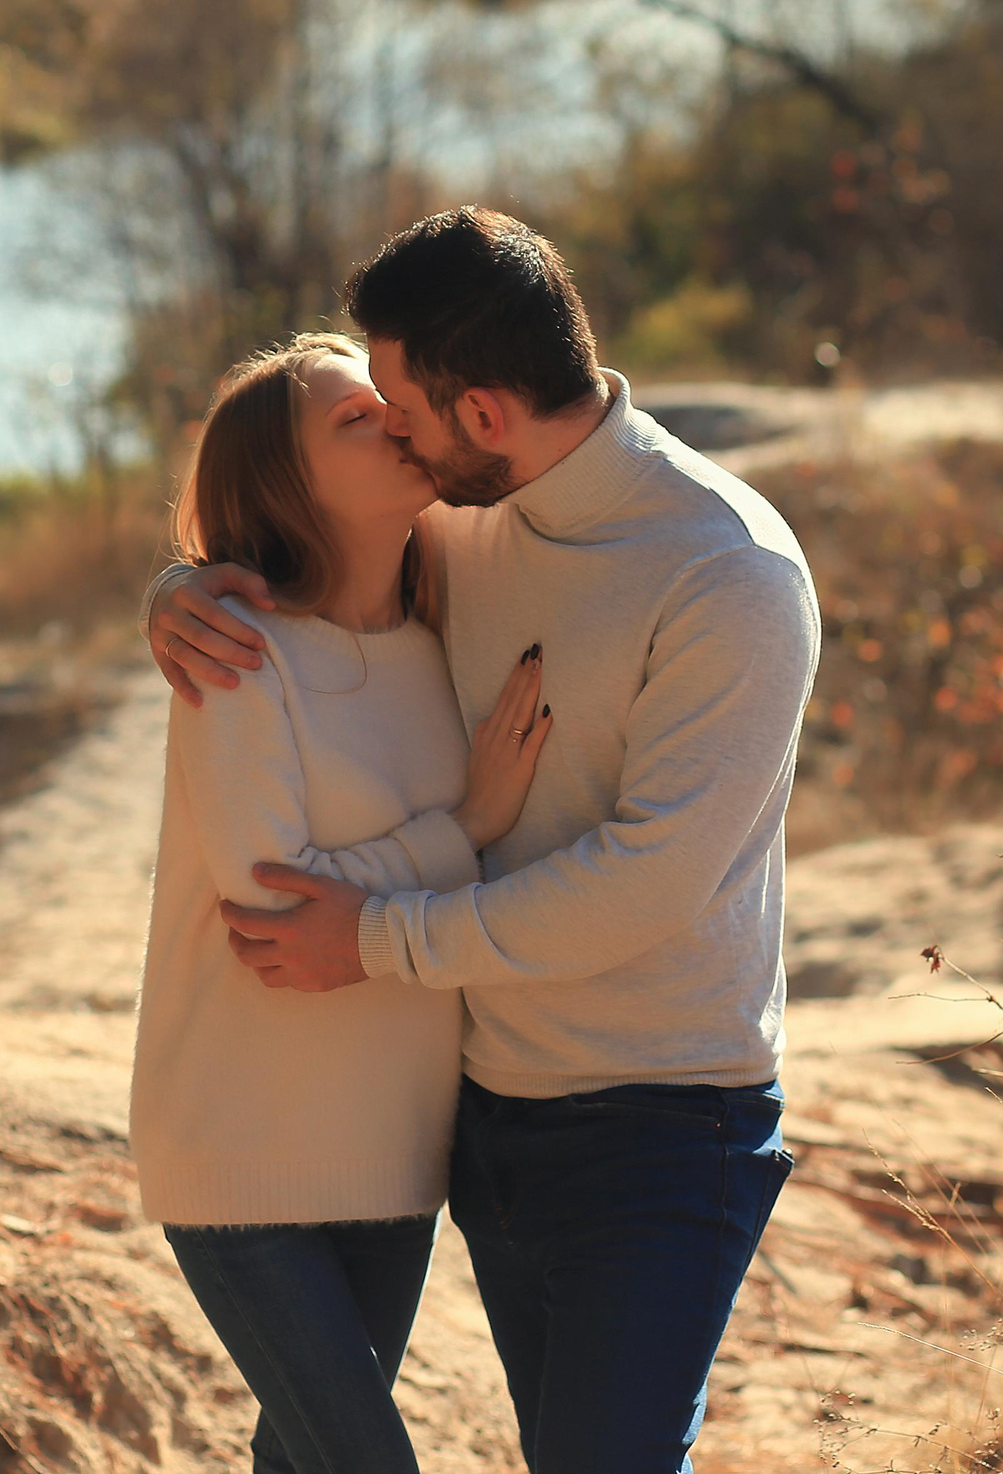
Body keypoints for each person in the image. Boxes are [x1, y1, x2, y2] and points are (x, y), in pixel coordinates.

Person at [143, 208, 819, 1474]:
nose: (393, 434)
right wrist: (181, 592)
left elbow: (648, 883)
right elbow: (297, 538)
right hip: (492, 1118)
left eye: (401, 410)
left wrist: (378, 938)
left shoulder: (727, 574)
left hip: (665, 1123)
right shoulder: (466, 518)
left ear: (484, 414)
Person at [131, 330, 553, 1474]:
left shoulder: (446, 634)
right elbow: (271, 897)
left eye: (387, 403)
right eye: (352, 420)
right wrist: (463, 827)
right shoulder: (237, 655)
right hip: (238, 1152)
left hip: (398, 1150)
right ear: (286, 481)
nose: (393, 422)